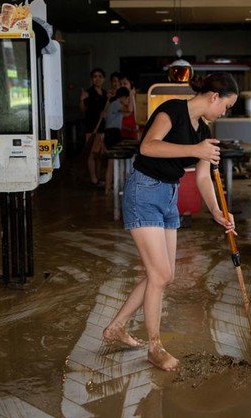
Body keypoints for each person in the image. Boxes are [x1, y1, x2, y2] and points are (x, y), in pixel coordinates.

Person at [102, 72, 240, 372]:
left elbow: (203, 178)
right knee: (160, 274)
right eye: (226, 106)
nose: (224, 113)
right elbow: (148, 146)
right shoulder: (172, 110)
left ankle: (117, 326)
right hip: (144, 191)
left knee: (163, 274)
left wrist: (217, 211)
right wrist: (194, 150)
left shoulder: (203, 130)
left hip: (169, 196)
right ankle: (155, 348)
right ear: (214, 97)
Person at [80, 68, 108, 186]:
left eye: (100, 76)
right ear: (91, 79)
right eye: (95, 76)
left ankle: (98, 176)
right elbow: (83, 110)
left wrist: (105, 114)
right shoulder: (88, 92)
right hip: (92, 127)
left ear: (103, 79)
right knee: (92, 153)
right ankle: (93, 178)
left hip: (102, 127)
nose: (97, 79)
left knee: (99, 154)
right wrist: (81, 99)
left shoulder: (106, 94)